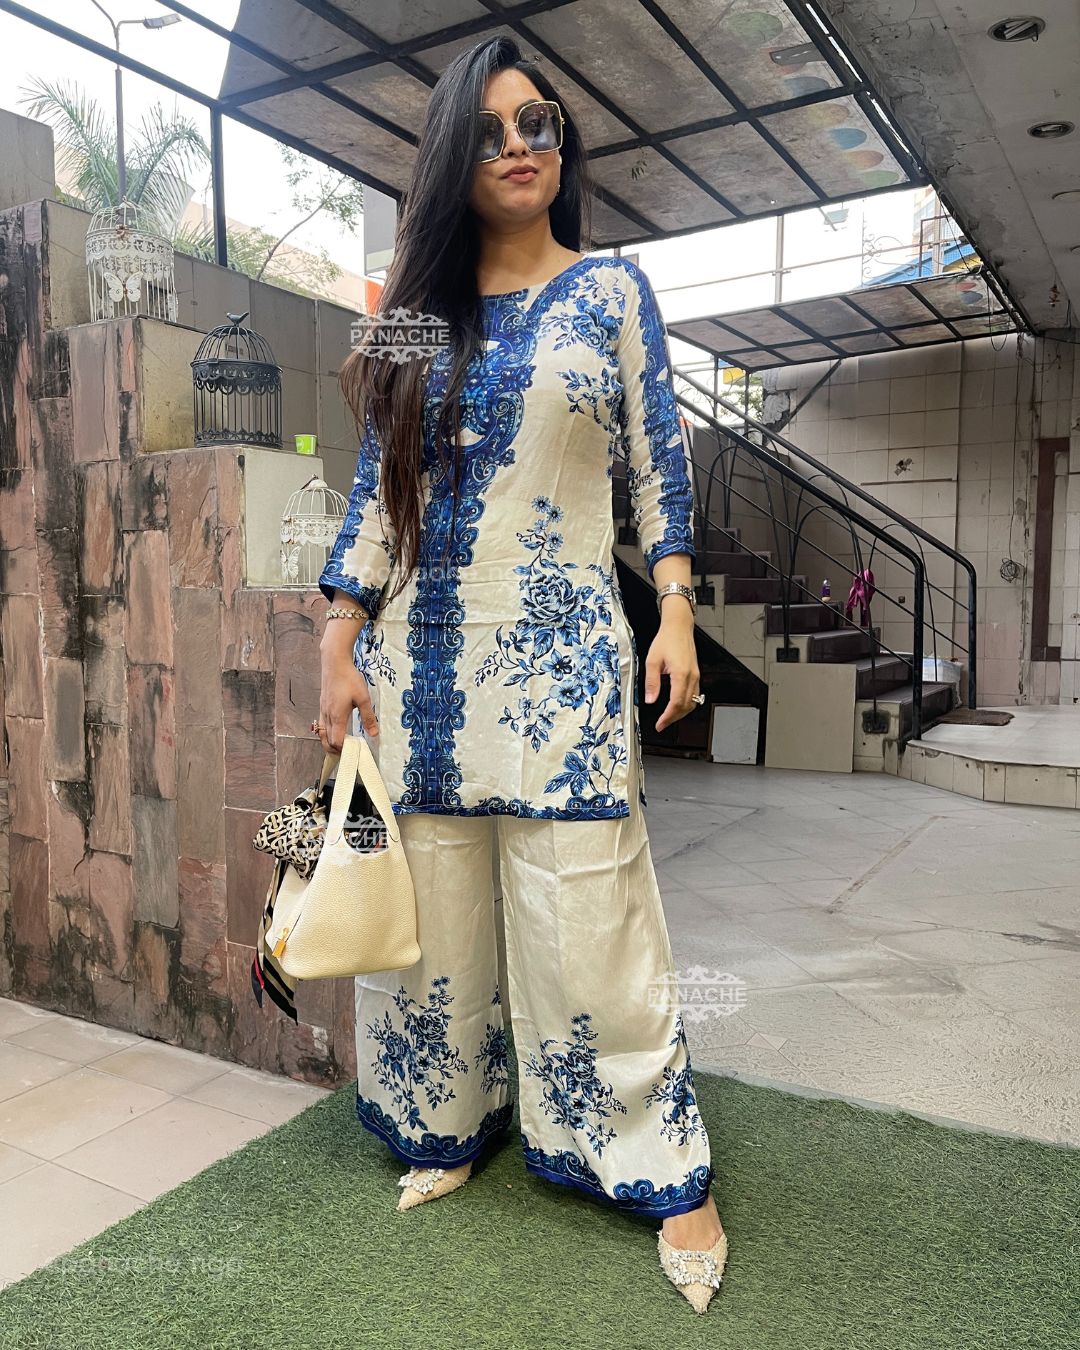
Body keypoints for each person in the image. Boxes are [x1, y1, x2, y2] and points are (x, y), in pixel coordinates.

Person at [314, 35, 728, 1314]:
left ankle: (656, 1161)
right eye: (489, 131)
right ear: (453, 157)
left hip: (562, 672)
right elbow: (380, 491)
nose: (518, 147)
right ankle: (444, 1121)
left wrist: (673, 610)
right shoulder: (419, 319)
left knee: (590, 918)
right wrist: (336, 634)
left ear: (563, 141)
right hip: (421, 667)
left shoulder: (612, 292)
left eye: (538, 122)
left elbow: (660, 465)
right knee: (433, 924)